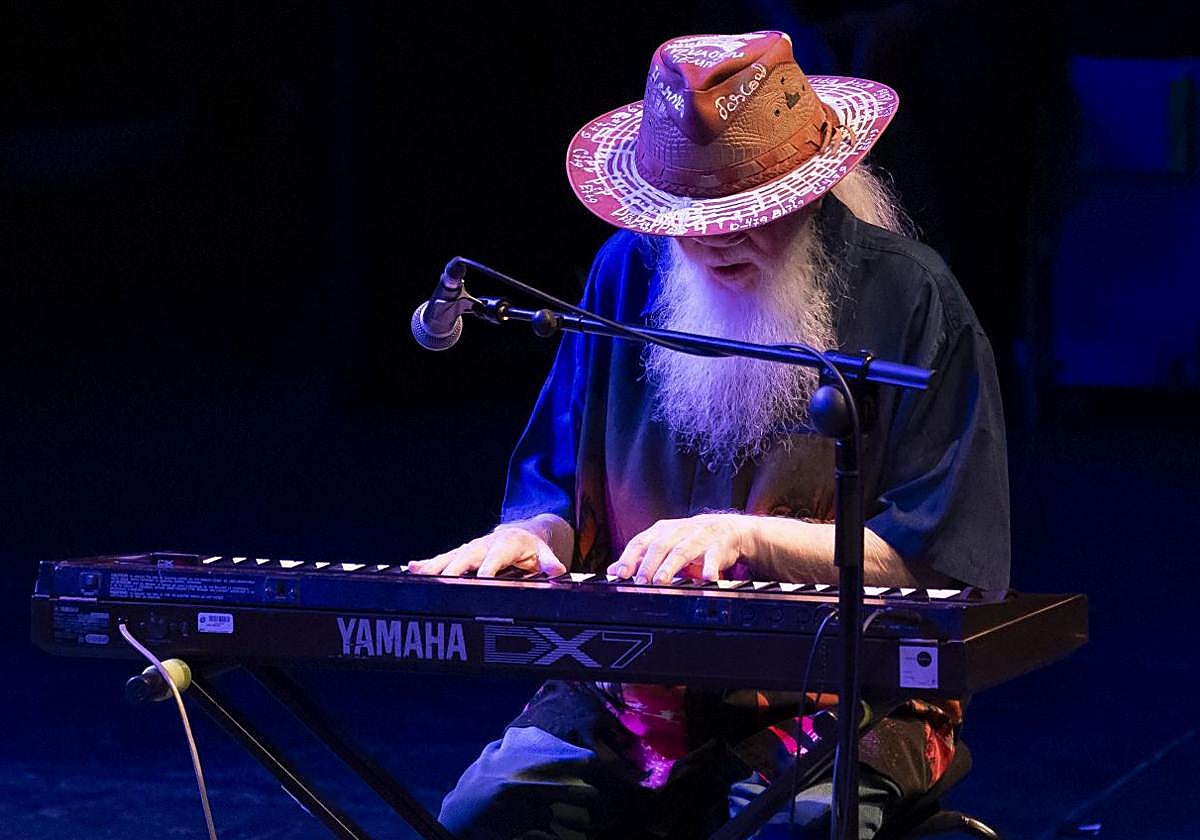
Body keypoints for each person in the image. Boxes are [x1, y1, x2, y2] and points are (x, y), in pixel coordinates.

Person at [411, 30, 1010, 839]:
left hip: (846, 692)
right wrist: (533, 534)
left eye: (742, 210)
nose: (714, 237)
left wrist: (749, 538)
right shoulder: (627, 272)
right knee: (488, 814)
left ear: (809, 186)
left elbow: (941, 559)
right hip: (637, 688)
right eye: (689, 214)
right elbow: (562, 483)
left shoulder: (909, 297)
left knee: (789, 826)